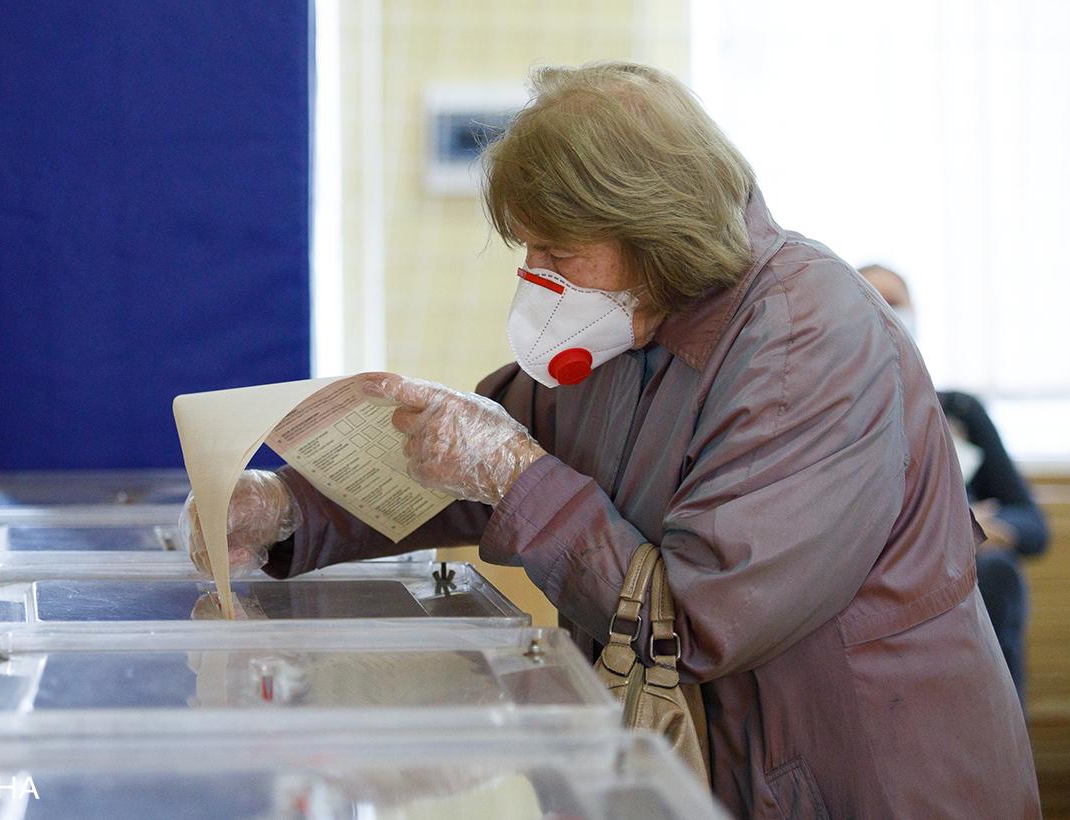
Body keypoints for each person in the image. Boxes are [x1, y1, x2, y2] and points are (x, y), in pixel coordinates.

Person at [183, 63, 1038, 816]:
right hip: (717, 765)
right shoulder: (631, 319)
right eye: (527, 248)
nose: (536, 278)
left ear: (655, 230)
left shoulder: (808, 339)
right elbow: (459, 464)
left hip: (859, 777)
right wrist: (289, 510)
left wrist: (513, 471)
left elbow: (696, 619)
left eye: (558, 250)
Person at [860, 263, 1048, 701]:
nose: (889, 312)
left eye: (897, 302)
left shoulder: (959, 411)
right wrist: (954, 527)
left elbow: (1034, 525)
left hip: (971, 581)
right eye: (874, 301)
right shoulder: (837, 422)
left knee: (997, 572)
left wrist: (993, 529)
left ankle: (1002, 721)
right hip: (885, 589)